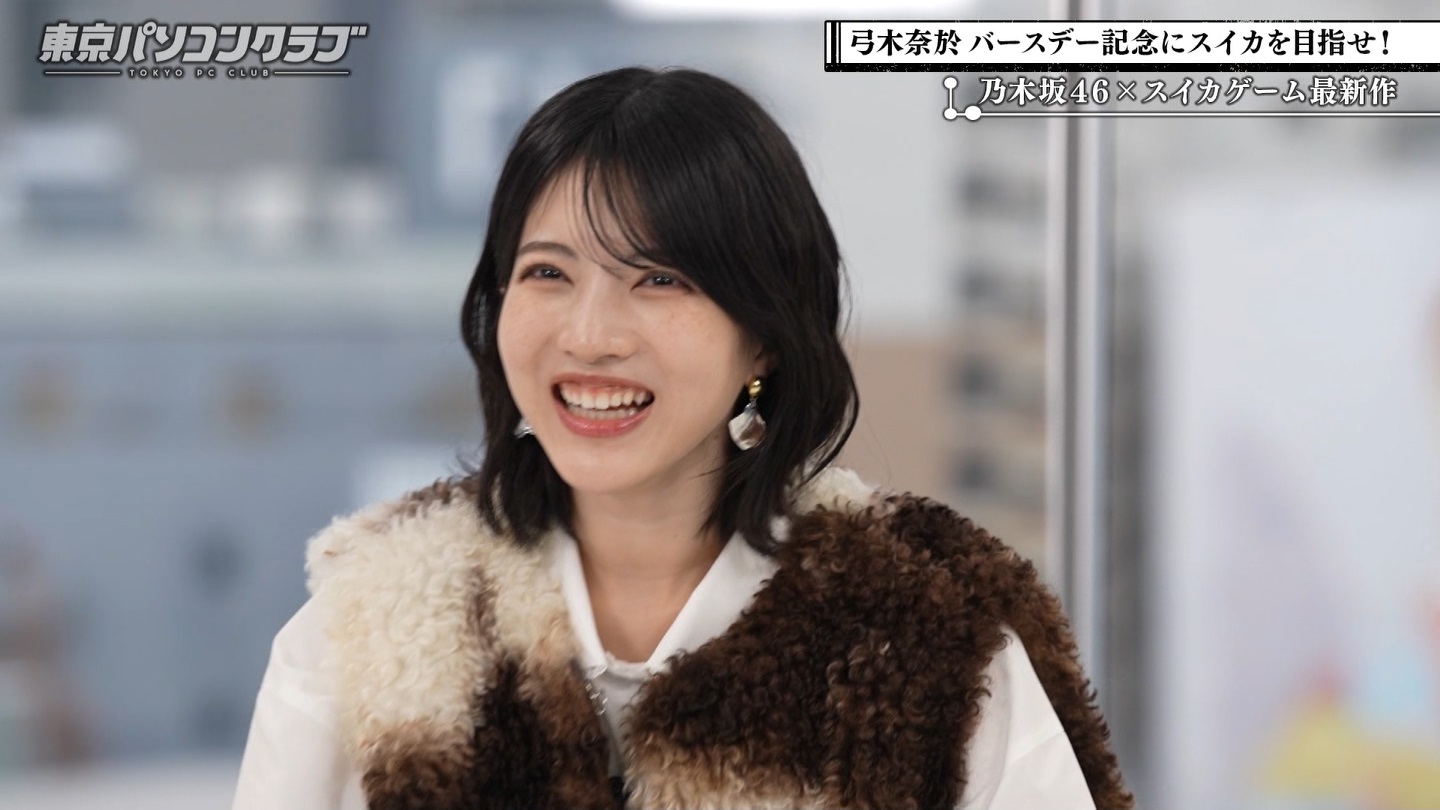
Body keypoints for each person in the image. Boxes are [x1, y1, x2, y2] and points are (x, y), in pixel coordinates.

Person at [233, 66, 1133, 810]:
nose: (590, 335)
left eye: (658, 279)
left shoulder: (929, 637)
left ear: (766, 335)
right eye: (547, 273)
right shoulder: (369, 633)